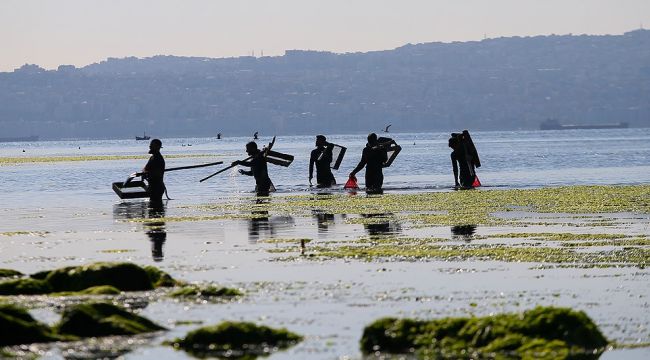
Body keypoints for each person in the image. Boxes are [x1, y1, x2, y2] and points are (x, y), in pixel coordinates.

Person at [142, 138, 166, 204]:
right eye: (150, 145)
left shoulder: (158, 159)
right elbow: (145, 168)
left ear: (157, 147)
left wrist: (147, 173)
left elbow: (157, 174)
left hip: (157, 188)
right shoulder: (152, 157)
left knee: (156, 209)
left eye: (152, 145)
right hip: (152, 187)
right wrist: (144, 172)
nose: (150, 147)